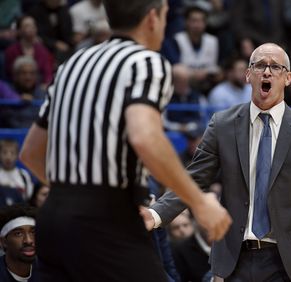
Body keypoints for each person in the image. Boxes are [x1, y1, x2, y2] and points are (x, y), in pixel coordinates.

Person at [18, 0, 232, 281]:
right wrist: (200, 203)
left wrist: (73, 196)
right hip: (107, 220)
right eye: (167, 15)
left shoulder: (72, 63)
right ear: (153, 18)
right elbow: (145, 136)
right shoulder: (146, 61)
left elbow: (31, 153)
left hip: (53, 217)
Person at [145, 43, 291, 281]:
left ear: (288, 78)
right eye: (259, 66)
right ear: (248, 75)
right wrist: (155, 215)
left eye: (275, 67)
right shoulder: (222, 125)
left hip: (288, 261)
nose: (266, 72)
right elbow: (194, 178)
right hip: (235, 259)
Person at [0, 204, 39, 282]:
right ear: (3, 242)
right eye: (18, 234)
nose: (28, 241)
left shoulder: (50, 273)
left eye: (33, 232)